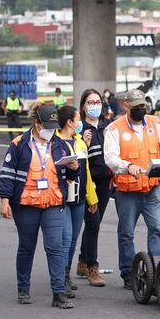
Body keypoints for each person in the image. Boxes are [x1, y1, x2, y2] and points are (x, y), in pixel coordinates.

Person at [104, 89, 160, 290]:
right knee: (126, 233)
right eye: (136, 107)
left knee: (157, 230)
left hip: (153, 189)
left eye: (143, 106)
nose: (141, 110)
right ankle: (129, 274)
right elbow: (110, 158)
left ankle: (157, 271)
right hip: (128, 192)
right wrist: (128, 166)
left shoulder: (155, 123)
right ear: (126, 106)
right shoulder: (114, 129)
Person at [0, 103, 79, 308]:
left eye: (54, 127)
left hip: (53, 203)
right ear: (36, 123)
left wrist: (74, 168)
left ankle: (58, 293)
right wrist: (4, 200)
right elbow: (7, 173)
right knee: (26, 247)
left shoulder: (61, 145)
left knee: (56, 248)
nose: (51, 131)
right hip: (26, 205)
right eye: (47, 126)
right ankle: (23, 289)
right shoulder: (19, 144)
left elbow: (69, 176)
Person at [56, 105, 98, 298]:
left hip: (79, 199)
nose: (81, 122)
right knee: (64, 239)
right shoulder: (54, 142)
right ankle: (60, 279)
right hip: (63, 200)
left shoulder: (80, 142)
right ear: (69, 122)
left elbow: (86, 172)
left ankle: (66, 275)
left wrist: (92, 198)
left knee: (72, 240)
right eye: (78, 119)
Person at [75, 89, 112, 287]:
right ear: (83, 106)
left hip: (105, 182)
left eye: (97, 101)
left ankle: (82, 259)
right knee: (94, 225)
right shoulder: (79, 128)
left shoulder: (108, 127)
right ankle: (92, 267)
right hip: (88, 184)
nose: (95, 105)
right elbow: (77, 157)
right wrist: (85, 144)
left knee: (93, 224)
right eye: (90, 102)